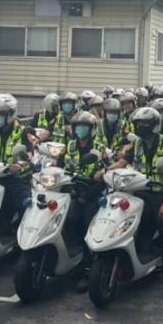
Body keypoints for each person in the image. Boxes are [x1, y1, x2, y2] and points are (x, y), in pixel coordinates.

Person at [104, 107, 163, 301]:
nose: (140, 127)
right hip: (139, 193)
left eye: (144, 124)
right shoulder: (136, 144)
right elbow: (123, 162)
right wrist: (105, 170)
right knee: (124, 222)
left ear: (154, 125)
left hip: (161, 195)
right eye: (138, 123)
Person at [0, 94, 34, 243]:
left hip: (17, 179)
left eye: (1, 115)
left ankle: (24, 239)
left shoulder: (23, 132)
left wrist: (18, 165)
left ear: (10, 115)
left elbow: (30, 156)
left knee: (26, 206)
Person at [62, 111, 103, 293]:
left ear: (91, 129)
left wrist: (87, 193)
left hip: (92, 193)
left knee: (87, 222)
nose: (80, 130)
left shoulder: (100, 148)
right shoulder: (69, 146)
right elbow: (58, 165)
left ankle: (88, 267)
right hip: (71, 191)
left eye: (84, 127)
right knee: (66, 220)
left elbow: (104, 175)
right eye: (77, 126)